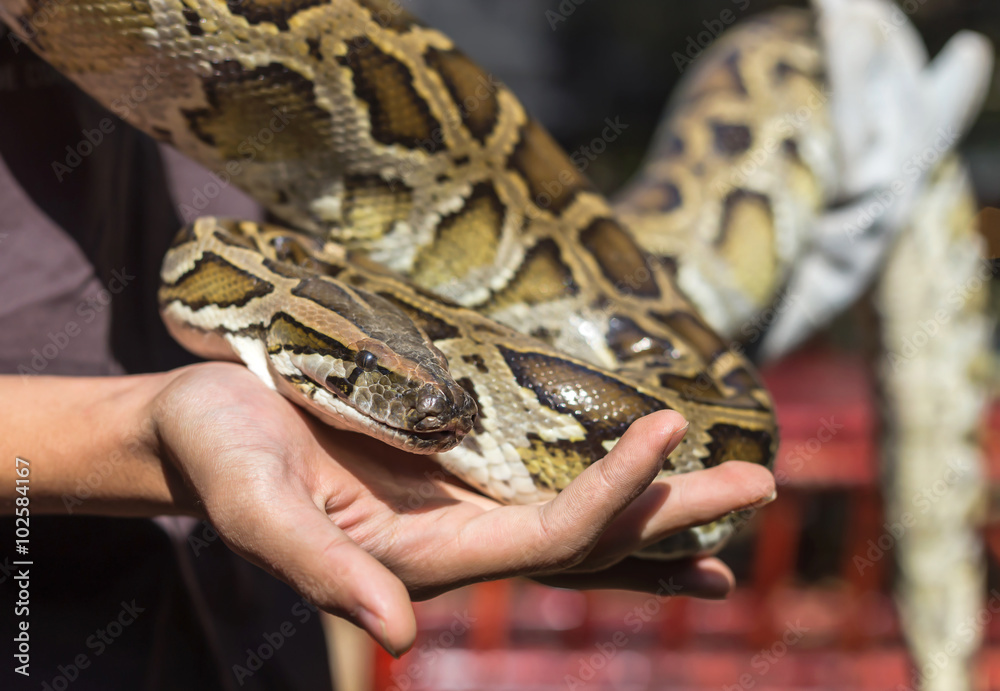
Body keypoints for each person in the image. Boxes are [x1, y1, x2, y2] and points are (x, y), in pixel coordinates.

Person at [0, 24, 776, 688]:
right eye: (373, 371)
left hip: (243, 629)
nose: (437, 398)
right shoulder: (247, 301)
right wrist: (137, 432)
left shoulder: (266, 271)